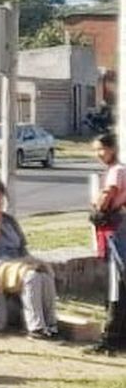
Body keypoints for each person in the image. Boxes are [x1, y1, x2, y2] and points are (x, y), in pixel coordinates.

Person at [0, 175, 61, 340]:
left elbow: (22, 248)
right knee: (31, 276)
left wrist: (32, 262)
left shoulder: (10, 220)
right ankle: (35, 327)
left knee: (44, 273)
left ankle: (50, 323)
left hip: (15, 261)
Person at [89, 132, 126, 353]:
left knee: (115, 284)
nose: (98, 154)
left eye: (101, 149)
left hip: (115, 230)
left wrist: (98, 207)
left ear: (111, 148)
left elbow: (107, 196)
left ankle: (110, 339)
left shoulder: (117, 171)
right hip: (116, 228)